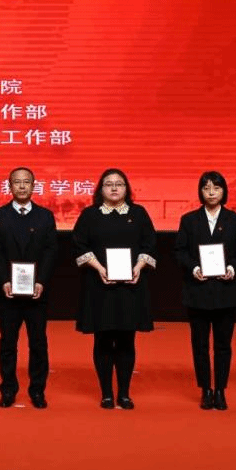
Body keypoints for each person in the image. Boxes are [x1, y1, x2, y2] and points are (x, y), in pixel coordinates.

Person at [72, 168, 156, 410]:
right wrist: (99, 268)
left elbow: (150, 244)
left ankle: (125, 394)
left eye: (119, 183)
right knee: (103, 340)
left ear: (127, 188)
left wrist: (138, 267)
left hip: (130, 287)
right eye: (109, 184)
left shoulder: (138, 214)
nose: (114, 188)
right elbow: (79, 245)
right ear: (101, 189)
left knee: (127, 340)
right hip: (100, 286)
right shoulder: (90, 215)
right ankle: (107, 393)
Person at [173, 171, 236, 411]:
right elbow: (180, 252)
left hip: (225, 291)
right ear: (200, 192)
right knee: (200, 345)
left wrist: (232, 268)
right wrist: (194, 268)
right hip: (197, 290)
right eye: (206, 188)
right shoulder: (189, 220)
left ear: (224, 191)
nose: (211, 193)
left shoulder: (235, 220)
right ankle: (205, 389)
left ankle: (220, 390)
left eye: (216, 188)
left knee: (223, 345)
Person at [0, 166, 58, 409]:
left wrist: (41, 281)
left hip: (37, 292)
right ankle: (8, 389)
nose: (21, 186)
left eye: (26, 182)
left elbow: (51, 251)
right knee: (8, 343)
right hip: (8, 291)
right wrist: (4, 280)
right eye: (17, 182)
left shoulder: (45, 216)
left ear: (33, 186)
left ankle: (37, 390)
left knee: (38, 343)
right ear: (10, 186)